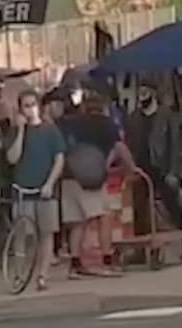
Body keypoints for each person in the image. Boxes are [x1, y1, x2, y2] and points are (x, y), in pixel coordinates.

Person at [5, 90, 66, 290]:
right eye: (26, 105)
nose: (30, 109)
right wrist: (21, 131)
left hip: (45, 190)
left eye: (33, 104)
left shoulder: (50, 130)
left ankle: (42, 275)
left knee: (46, 233)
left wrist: (50, 183)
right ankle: (20, 273)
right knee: (23, 234)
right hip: (22, 191)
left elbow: (59, 158)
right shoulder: (15, 131)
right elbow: (12, 158)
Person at [58, 92, 123, 277]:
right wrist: (108, 165)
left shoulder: (70, 124)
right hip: (91, 179)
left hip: (69, 176)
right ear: (103, 107)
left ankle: (75, 265)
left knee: (78, 222)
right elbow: (118, 148)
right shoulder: (106, 124)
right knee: (104, 216)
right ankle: (107, 260)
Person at [126, 86, 182, 232]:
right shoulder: (134, 117)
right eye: (140, 94)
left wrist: (173, 171)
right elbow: (130, 142)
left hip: (162, 166)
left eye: (144, 93)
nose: (141, 97)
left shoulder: (166, 115)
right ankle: (143, 240)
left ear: (153, 94)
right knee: (139, 205)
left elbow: (174, 144)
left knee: (172, 202)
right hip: (140, 166)